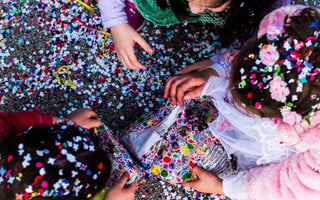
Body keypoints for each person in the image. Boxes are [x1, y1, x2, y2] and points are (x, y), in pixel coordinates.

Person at [168, 5, 320, 199]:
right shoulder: (295, 30)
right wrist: (218, 69)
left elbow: (291, 187)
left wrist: (224, 187)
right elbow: (258, 50)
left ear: (286, 118)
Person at [98, 0, 287, 70]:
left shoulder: (267, 11)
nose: (194, 11)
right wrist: (117, 22)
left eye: (209, 5)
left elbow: (257, 45)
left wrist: (219, 64)